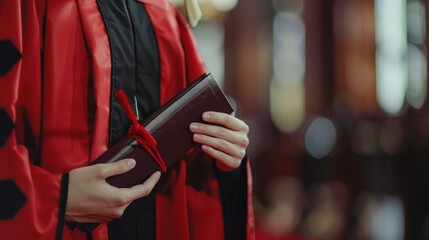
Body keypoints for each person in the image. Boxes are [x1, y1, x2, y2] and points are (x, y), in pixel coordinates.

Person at [0, 0, 254, 239]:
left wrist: (224, 160)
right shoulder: (24, 8)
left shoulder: (164, 17)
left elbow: (191, 173)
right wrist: (54, 198)